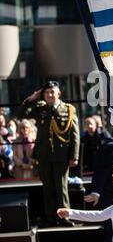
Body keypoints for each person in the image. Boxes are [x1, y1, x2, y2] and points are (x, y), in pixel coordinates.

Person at [19, 81, 80, 226]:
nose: (49, 95)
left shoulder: (69, 110)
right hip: (43, 154)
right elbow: (21, 114)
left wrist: (74, 156)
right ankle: (51, 217)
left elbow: (74, 134)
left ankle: (64, 217)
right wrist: (32, 98)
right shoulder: (40, 108)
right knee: (48, 187)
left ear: (58, 94)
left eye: (52, 92)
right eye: (46, 93)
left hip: (61, 154)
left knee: (61, 187)